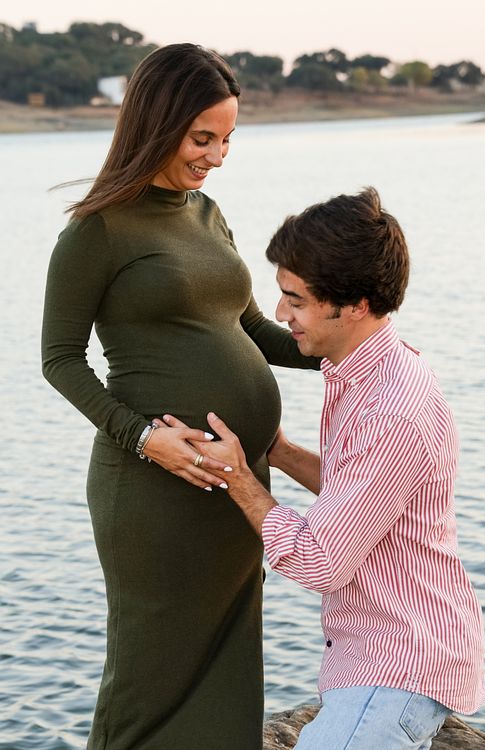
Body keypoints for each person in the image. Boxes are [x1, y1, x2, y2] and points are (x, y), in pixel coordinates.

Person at [41, 43, 320, 750]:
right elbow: (59, 360)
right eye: (203, 139)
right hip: (153, 489)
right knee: (150, 671)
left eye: (227, 140)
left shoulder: (206, 214)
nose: (217, 156)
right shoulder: (98, 230)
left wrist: (351, 341)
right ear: (157, 124)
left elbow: (251, 328)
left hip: (236, 481)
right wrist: (145, 439)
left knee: (227, 656)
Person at [182, 187, 485, 750]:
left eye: (295, 300)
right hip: (388, 655)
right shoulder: (372, 375)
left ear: (353, 305)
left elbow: (320, 560)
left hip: (398, 666)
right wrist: (281, 452)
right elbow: (365, 496)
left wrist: (240, 481)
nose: (280, 315)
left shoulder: (390, 408)